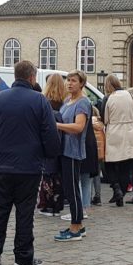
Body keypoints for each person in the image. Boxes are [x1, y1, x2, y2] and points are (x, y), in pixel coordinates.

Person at [0, 60, 61, 265]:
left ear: (15, 76)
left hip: (1, 166)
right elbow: (50, 135)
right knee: (25, 213)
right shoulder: (40, 101)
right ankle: (23, 258)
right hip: (29, 167)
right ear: (32, 77)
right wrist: (48, 156)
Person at [55, 70, 92, 241]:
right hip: (63, 149)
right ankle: (78, 226)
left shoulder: (83, 103)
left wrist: (57, 125)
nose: (70, 83)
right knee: (69, 189)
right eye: (68, 80)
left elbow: (78, 127)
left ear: (82, 84)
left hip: (72, 150)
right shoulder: (67, 101)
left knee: (72, 189)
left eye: (74, 81)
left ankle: (76, 227)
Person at [101, 74, 133, 207]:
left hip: (115, 132)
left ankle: (116, 187)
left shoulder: (109, 98)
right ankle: (121, 193)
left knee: (109, 163)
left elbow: (105, 118)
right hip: (131, 132)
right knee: (125, 164)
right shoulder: (131, 96)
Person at [37, 74, 66, 217]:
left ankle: (46, 204)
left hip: (49, 142)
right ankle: (58, 204)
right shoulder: (65, 103)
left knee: (47, 173)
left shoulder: (44, 102)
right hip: (63, 143)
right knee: (58, 174)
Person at [91, 107, 105, 205]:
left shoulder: (87, 123)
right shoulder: (101, 125)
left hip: (90, 153)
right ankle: (98, 196)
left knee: (87, 177)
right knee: (97, 176)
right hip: (99, 154)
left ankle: (88, 196)